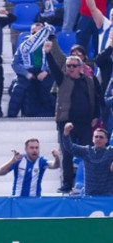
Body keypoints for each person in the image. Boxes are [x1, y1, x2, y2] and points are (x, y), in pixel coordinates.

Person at [44, 41, 98, 193]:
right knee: (66, 154)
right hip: (65, 122)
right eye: (68, 66)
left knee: (89, 153)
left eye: (74, 66)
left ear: (81, 67)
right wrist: (48, 53)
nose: (70, 68)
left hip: (85, 123)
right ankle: (67, 184)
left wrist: (95, 116)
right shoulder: (62, 79)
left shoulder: (89, 80)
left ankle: (91, 183)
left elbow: (95, 98)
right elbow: (54, 69)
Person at [8, 23, 56, 118]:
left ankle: (54, 115)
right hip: (27, 72)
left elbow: (56, 62)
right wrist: (26, 74)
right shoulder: (23, 46)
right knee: (18, 89)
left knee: (50, 89)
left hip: (44, 71)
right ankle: (11, 117)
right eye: (33, 32)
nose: (35, 34)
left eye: (38, 32)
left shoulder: (50, 44)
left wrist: (46, 72)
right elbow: (14, 64)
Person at [62, 123, 113, 195]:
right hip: (89, 196)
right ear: (92, 139)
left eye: (101, 137)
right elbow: (69, 147)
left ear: (106, 140)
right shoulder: (86, 151)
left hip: (107, 196)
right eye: (96, 137)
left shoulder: (111, 151)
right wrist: (66, 132)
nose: (98, 139)